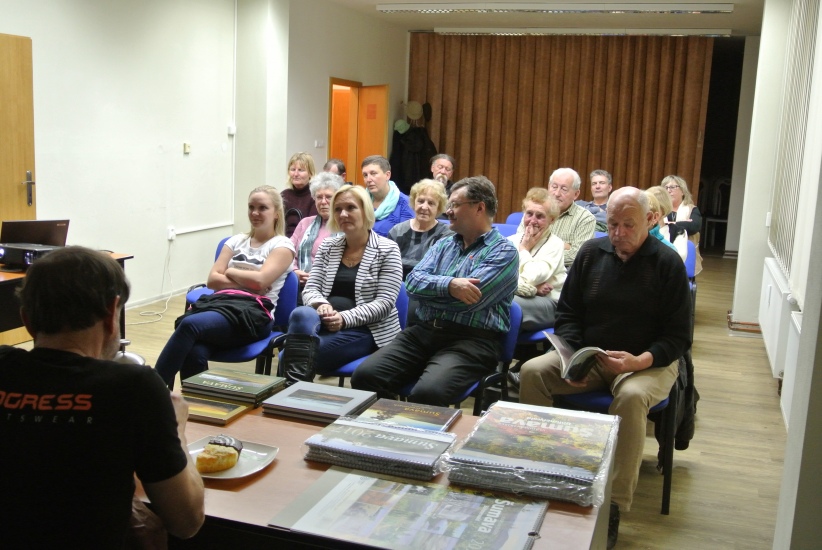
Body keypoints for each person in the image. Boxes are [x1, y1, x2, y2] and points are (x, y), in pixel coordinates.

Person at [518, 187, 692, 549]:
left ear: (649, 220)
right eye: (612, 224)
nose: (618, 233)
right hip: (594, 355)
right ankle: (542, 471)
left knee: (630, 397)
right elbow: (568, 314)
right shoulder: (591, 253)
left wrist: (640, 360)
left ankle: (613, 503)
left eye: (628, 225)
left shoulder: (667, 263)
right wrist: (574, 357)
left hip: (648, 362)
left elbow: (677, 337)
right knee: (533, 372)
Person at [0, 247, 204, 547]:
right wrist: (178, 431)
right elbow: (186, 521)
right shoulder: (134, 388)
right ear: (112, 314)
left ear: (26, 320)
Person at [352, 176, 519, 406]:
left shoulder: (503, 252)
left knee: (428, 393)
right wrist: (450, 286)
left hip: (471, 340)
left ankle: (417, 427)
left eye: (455, 205)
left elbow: (468, 301)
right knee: (364, 376)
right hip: (423, 332)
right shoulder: (444, 244)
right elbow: (412, 283)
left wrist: (430, 293)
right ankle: (390, 423)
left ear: (479, 208)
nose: (448, 211)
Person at [155, 186, 295, 388]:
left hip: (253, 314)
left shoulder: (282, 245)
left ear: (276, 213)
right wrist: (249, 282)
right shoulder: (236, 240)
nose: (255, 213)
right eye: (251, 207)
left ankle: (153, 389)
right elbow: (213, 280)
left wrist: (230, 271)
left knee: (189, 325)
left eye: (262, 208)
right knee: (194, 350)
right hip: (220, 304)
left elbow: (260, 282)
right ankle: (197, 402)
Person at [279, 184, 403, 384]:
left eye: (351, 208)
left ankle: (292, 395)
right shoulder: (329, 246)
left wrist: (344, 319)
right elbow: (311, 288)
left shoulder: (388, 249)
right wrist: (321, 304)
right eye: (338, 209)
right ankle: (295, 395)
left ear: (365, 211)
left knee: (291, 357)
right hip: (324, 323)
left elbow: (384, 303)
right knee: (301, 313)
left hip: (367, 329)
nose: (343, 214)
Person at [509, 187, 566, 331]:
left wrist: (524, 249)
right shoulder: (510, 241)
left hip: (549, 302)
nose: (532, 221)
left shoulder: (555, 244)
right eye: (529, 214)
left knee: (506, 304)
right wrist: (532, 288)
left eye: (540, 216)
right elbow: (499, 277)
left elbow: (533, 276)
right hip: (523, 296)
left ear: (552, 219)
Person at [290, 172, 344, 298]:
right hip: (300, 288)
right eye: (319, 197)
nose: (323, 202)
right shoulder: (305, 223)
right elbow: (288, 252)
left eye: (329, 197)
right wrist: (294, 271)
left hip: (333, 291)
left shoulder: (346, 226)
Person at [388, 178, 454, 279]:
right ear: (414, 202)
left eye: (431, 203)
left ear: (439, 208)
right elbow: (387, 266)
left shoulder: (447, 235)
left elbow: (441, 271)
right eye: (421, 201)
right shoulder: (397, 231)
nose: (424, 207)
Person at [545, 167, 596, 266]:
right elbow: (519, 244)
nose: (557, 193)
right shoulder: (534, 212)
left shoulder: (585, 219)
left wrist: (538, 251)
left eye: (564, 189)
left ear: (576, 194)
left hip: (564, 273)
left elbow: (579, 255)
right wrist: (561, 246)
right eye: (554, 187)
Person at [361, 155, 415, 237]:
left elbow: (406, 240)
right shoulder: (359, 201)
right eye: (365, 175)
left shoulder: (406, 204)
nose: (368, 179)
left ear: (387, 175)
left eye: (373, 173)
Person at [662, 175, 703, 274]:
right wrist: (683, 224)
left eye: (672, 187)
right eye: (666, 188)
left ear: (683, 191)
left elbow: (693, 227)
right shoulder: (660, 209)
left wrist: (667, 224)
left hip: (686, 255)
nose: (669, 190)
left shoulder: (692, 209)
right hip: (662, 254)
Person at [646, 186, 687, 261]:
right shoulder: (637, 231)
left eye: (654, 208)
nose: (648, 212)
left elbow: (679, 258)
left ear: (663, 210)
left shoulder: (678, 232)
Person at [282, 152, 318, 237]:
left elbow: (312, 230)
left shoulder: (316, 196)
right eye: (293, 169)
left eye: (301, 170)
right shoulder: (283, 196)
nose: (295, 174)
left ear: (310, 173)